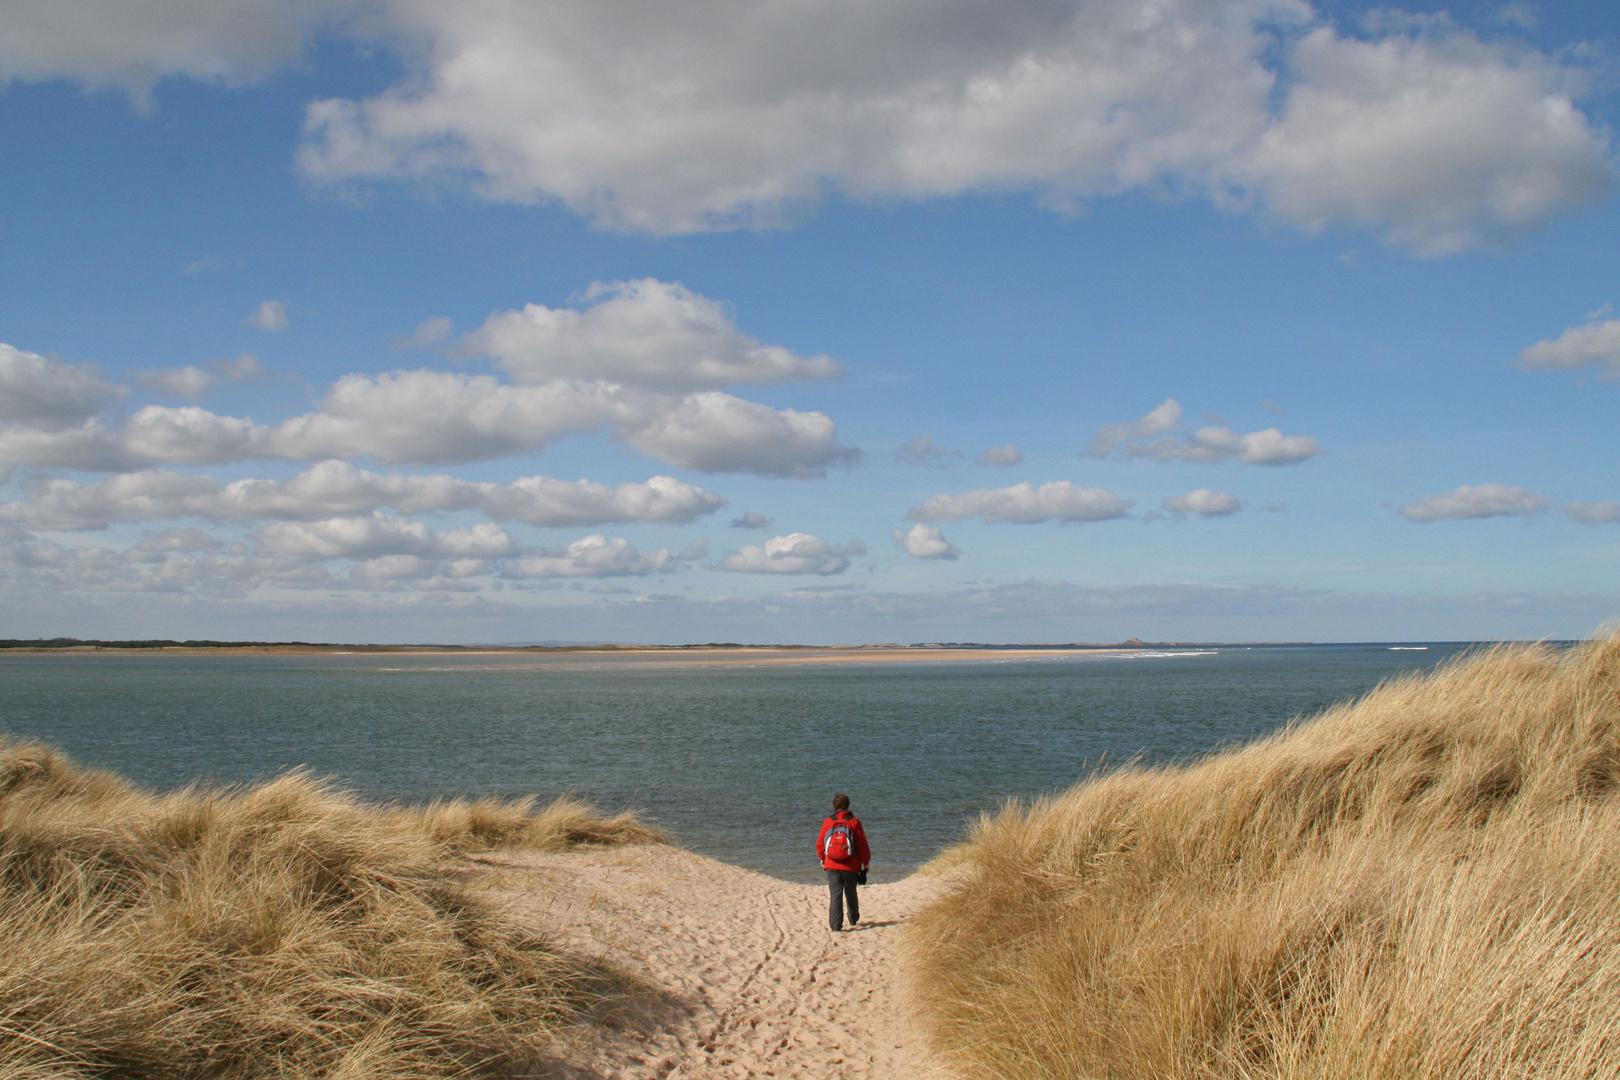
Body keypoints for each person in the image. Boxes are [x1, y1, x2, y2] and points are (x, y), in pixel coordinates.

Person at [817, 793, 870, 932]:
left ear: (834, 806)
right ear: (848, 806)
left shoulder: (828, 821)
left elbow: (820, 843)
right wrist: (866, 862)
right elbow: (862, 845)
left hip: (831, 864)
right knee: (851, 891)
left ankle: (835, 925)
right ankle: (853, 919)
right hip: (851, 865)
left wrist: (822, 858)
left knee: (835, 894)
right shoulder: (854, 822)